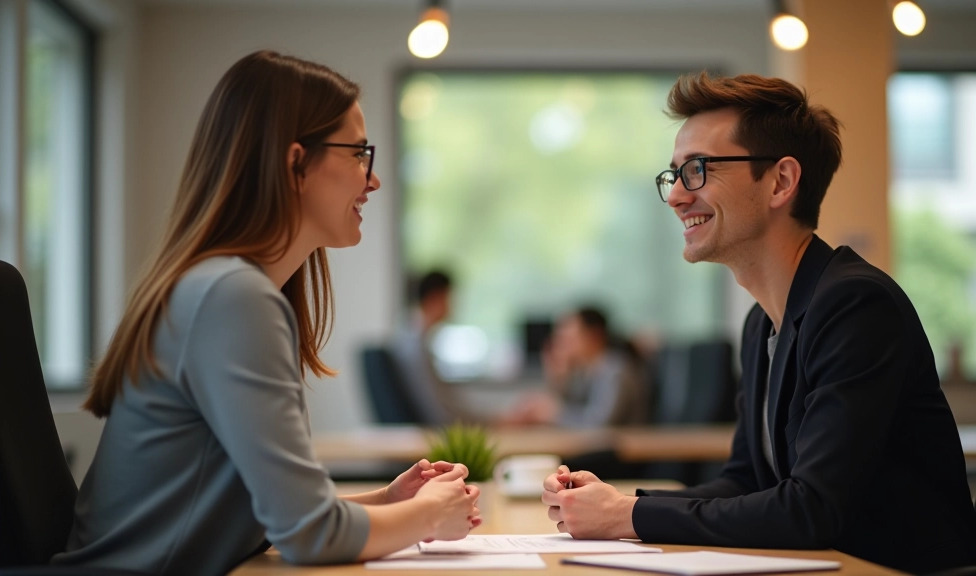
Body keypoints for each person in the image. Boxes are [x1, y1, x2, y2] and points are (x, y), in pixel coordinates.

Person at [52, 51, 480, 575]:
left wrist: (393, 503)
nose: (373, 181)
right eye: (358, 154)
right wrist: (429, 516)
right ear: (295, 161)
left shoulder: (227, 290)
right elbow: (310, 536)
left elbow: (281, 517)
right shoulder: (232, 297)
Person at [542, 72, 976, 574]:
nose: (676, 197)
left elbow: (811, 509)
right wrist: (617, 502)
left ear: (781, 181)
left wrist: (630, 515)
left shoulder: (856, 305)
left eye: (699, 170)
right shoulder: (761, 325)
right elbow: (747, 481)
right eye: (674, 175)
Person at [502, 306, 648, 427]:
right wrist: (557, 377)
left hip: (619, 455)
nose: (562, 345)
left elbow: (599, 423)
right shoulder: (584, 371)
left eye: (569, 338)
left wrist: (554, 412)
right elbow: (572, 408)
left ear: (594, 336)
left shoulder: (615, 371)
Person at [390, 269, 479, 425]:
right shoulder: (414, 348)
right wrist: (494, 423)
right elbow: (438, 415)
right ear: (436, 297)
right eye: (449, 298)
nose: (452, 306)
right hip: (434, 434)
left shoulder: (412, 338)